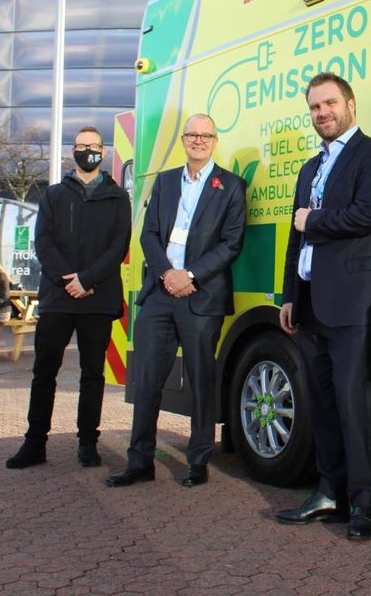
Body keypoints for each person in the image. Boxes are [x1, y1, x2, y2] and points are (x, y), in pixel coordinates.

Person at [275, 72, 371, 540]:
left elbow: (370, 215)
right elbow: (296, 235)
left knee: (357, 407)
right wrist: (289, 294)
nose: (322, 113)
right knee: (323, 405)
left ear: (350, 105)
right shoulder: (310, 167)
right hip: (310, 304)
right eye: (314, 107)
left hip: (358, 305)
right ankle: (329, 492)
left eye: (329, 103)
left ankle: (364, 504)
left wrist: (315, 219)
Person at [106, 113, 246, 489]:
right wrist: (168, 273)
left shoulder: (231, 186)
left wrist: (191, 275)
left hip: (202, 297)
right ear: (184, 140)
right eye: (192, 135)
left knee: (201, 380)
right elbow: (149, 234)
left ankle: (198, 461)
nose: (198, 141)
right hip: (159, 294)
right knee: (148, 380)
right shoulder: (166, 182)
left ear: (215, 141)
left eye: (206, 135)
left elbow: (231, 244)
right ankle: (140, 462)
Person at [6, 126, 132, 469]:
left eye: (92, 146)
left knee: (93, 374)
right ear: (72, 151)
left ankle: (87, 442)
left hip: (98, 298)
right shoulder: (53, 195)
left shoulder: (118, 197)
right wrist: (69, 281)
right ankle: (35, 443)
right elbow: (43, 243)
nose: (86, 151)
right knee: (44, 372)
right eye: (80, 146)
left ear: (102, 152)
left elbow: (119, 245)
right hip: (59, 298)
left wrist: (87, 280)